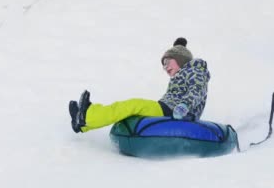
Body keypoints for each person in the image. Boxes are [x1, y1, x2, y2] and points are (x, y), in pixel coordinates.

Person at [69, 37, 210, 133]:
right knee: (128, 112)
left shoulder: (195, 71)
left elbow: (197, 90)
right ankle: (84, 123)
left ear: (180, 59)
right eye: (163, 65)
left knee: (133, 105)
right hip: (168, 110)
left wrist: (184, 106)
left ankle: (87, 116)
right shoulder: (183, 74)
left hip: (175, 111)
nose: (165, 67)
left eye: (167, 62)